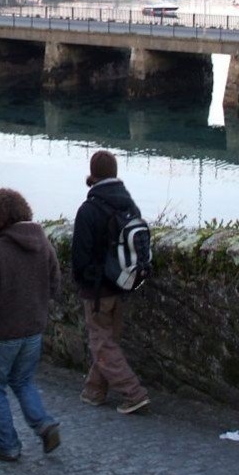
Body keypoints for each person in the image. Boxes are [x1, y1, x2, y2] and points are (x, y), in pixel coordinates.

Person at [0, 188, 61, 462]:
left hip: (3, 334)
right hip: (33, 330)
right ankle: (44, 424)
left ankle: (8, 445)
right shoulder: (44, 244)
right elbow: (55, 285)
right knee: (22, 380)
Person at [71, 150, 150, 414]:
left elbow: (80, 257)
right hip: (123, 284)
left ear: (92, 174)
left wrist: (83, 281)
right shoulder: (129, 205)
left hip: (97, 291)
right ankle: (94, 391)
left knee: (101, 343)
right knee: (107, 341)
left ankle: (133, 393)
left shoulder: (89, 210)